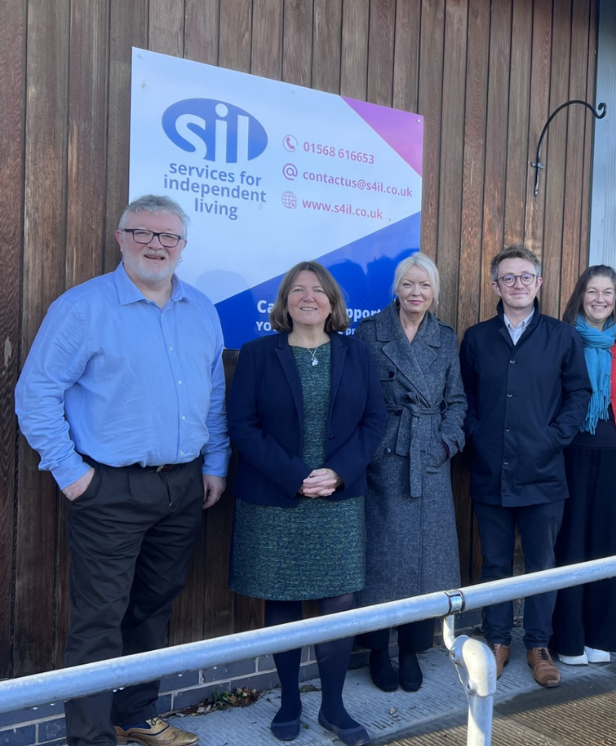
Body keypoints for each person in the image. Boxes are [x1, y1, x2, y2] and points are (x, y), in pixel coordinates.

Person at [14, 195, 229, 746]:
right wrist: (71, 473)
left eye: (168, 237)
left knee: (153, 610)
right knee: (98, 621)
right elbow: (35, 393)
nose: (155, 245)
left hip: (182, 487)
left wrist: (215, 464)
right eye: (143, 233)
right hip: (107, 488)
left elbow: (213, 398)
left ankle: (136, 716)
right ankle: (90, 738)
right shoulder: (83, 308)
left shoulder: (202, 309)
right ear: (120, 237)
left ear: (183, 246)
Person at [227, 261, 385, 745]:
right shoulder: (257, 354)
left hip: (338, 498)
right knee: (282, 598)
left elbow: (374, 422)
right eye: (298, 290)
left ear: (333, 303)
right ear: (284, 302)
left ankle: (334, 708)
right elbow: (243, 426)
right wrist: (297, 477)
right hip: (276, 498)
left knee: (339, 600)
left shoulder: (357, 353)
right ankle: (290, 701)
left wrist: (337, 472)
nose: (308, 297)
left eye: (318, 290)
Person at [460, 244, 591, 688]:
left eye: (525, 277)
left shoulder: (562, 336)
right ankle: (497, 641)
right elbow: (466, 398)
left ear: (539, 283)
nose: (517, 285)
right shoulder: (477, 338)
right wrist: (477, 433)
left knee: (541, 564)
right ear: (495, 285)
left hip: (544, 473)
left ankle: (538, 645)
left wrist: (554, 438)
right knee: (495, 564)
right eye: (508, 278)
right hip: (490, 472)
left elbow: (579, 395)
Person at [355, 253, 467, 693]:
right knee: (382, 563)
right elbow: (357, 399)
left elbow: (457, 401)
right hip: (384, 461)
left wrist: (444, 444)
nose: (416, 292)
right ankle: (379, 651)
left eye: (424, 285)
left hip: (429, 461)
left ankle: (410, 651)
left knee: (423, 567)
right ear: (396, 289)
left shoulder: (444, 336)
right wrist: (373, 448)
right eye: (408, 284)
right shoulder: (370, 334)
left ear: (434, 291)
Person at [551, 266, 616, 666]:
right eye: (592, 291)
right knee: (571, 541)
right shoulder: (562, 337)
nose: (600, 299)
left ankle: (604, 635)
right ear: (580, 295)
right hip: (572, 448)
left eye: (608, 292)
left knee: (609, 541)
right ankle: (568, 639)